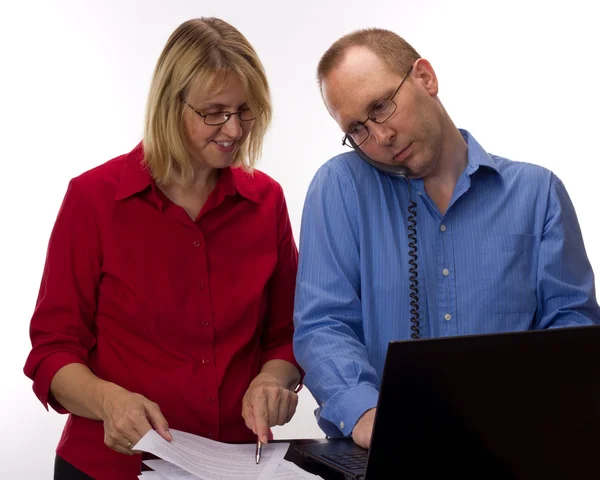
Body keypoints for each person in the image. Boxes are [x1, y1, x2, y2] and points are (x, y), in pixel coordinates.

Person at [292, 27, 600, 450]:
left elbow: (574, 327)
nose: (379, 137)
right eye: (358, 129)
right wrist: (366, 414)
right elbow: (323, 323)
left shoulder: (538, 192)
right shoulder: (339, 186)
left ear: (425, 78)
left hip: (515, 449)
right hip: (387, 451)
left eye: (381, 106)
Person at [24, 17, 301, 480]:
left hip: (234, 465)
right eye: (214, 112)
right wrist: (109, 401)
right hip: (109, 469)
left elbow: (286, 335)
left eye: (245, 110)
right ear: (172, 106)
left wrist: (274, 379)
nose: (233, 130)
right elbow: (52, 351)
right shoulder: (92, 198)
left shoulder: (266, 200)